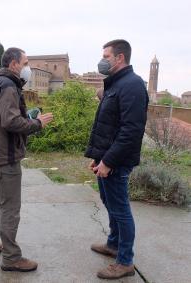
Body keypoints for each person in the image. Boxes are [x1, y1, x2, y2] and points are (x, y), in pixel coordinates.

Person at [0, 47, 53, 272]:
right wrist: (37, 123)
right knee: (10, 208)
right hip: (6, 156)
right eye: (25, 62)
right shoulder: (9, 85)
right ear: (13, 64)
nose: (27, 68)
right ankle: (11, 258)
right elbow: (10, 122)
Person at [85, 39, 149, 280]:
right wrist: (98, 157)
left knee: (120, 209)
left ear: (120, 57)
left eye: (106, 56)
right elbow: (107, 126)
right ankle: (113, 244)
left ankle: (125, 261)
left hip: (118, 162)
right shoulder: (116, 83)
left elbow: (130, 131)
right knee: (108, 200)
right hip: (107, 158)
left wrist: (109, 161)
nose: (102, 60)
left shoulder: (131, 85)